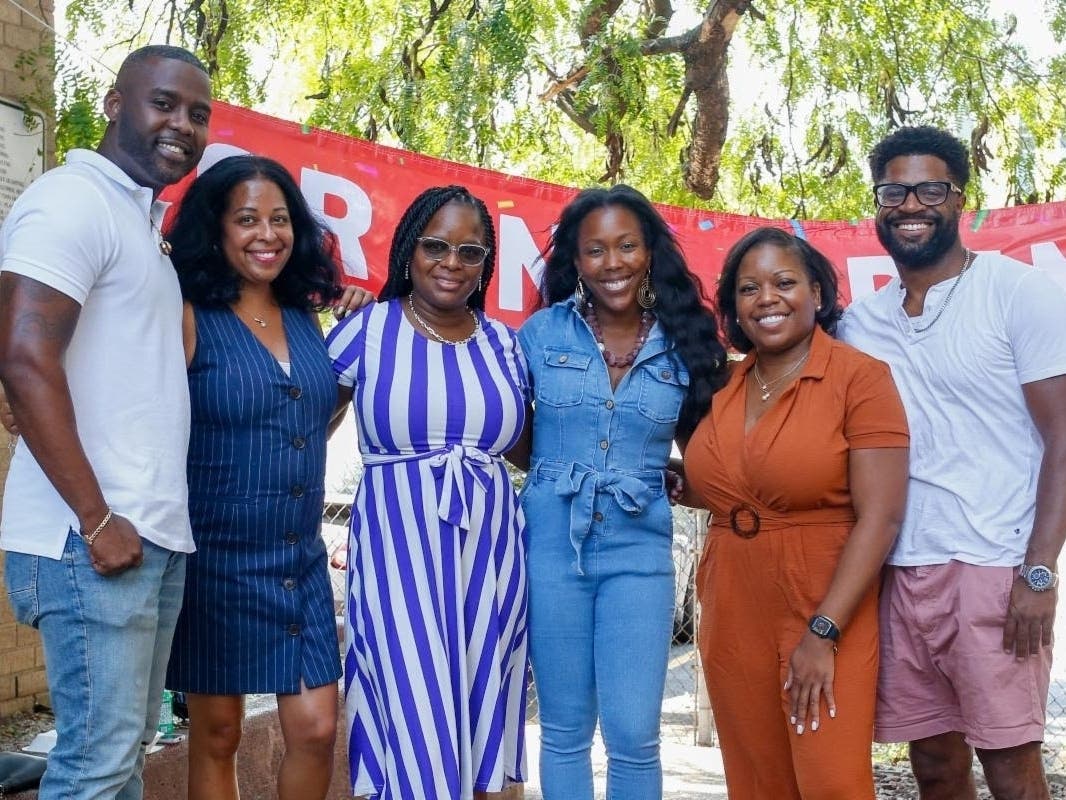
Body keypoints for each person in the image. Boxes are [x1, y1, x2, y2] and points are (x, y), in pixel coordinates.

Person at [0, 46, 211, 799]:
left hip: (142, 533)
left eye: (198, 114)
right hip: (88, 539)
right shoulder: (72, 199)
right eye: (164, 103)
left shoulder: (138, 222)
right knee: (95, 767)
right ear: (116, 104)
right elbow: (23, 356)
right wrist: (96, 519)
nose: (182, 125)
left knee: (121, 759)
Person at [838, 126, 1066, 800]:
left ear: (960, 198)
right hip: (898, 572)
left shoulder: (1019, 292)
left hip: (994, 565)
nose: (911, 205)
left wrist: (1038, 570)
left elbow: (1063, 436)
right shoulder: (860, 324)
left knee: (1011, 766)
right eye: (894, 192)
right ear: (878, 203)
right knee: (934, 767)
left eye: (930, 190)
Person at [511, 184, 728, 799]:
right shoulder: (540, 335)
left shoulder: (682, 344)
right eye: (596, 249)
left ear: (650, 251)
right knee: (563, 729)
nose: (613, 263)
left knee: (634, 734)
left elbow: (709, 452)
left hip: (640, 554)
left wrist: (670, 476)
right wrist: (556, 470)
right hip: (551, 547)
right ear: (576, 261)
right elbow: (512, 433)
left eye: (627, 246)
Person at [163, 155, 366, 799]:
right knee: (218, 733)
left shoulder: (305, 316)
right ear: (216, 229)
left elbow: (307, 421)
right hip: (214, 556)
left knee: (317, 728)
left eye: (280, 219)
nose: (266, 234)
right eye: (247, 219)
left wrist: (353, 332)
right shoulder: (188, 313)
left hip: (297, 558)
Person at [682, 227, 910, 798]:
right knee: (757, 781)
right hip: (733, 604)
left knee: (831, 781)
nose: (767, 298)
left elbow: (881, 518)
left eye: (784, 283)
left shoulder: (860, 378)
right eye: (748, 288)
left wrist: (823, 631)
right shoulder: (726, 384)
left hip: (824, 601)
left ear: (817, 293)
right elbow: (738, 484)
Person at [325, 185, 529, 799]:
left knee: (483, 695)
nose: (452, 262)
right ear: (409, 250)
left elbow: (530, 447)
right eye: (436, 246)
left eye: (470, 251)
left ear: (486, 263)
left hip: (489, 553)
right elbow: (304, 427)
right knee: (412, 696)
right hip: (398, 549)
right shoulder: (368, 329)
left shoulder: (505, 344)